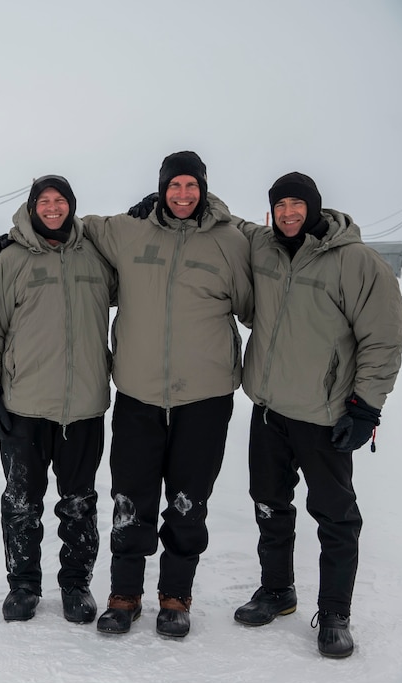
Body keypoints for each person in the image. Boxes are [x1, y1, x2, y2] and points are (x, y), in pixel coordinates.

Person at [230, 172, 402, 658]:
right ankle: (277, 590)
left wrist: (367, 406)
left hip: (324, 413)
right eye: (279, 206)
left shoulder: (357, 262)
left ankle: (334, 613)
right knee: (269, 504)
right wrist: (160, 199)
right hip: (268, 409)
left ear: (314, 207)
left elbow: (384, 338)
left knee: (335, 517)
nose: (288, 213)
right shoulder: (262, 248)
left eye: (296, 204)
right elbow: (223, 219)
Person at [80, 151, 254, 638]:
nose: (182, 196)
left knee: (187, 499)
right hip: (138, 392)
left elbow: (253, 305)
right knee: (130, 498)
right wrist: (17, 237)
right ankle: (124, 595)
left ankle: (176, 596)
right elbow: (71, 225)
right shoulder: (129, 230)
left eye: (190, 187)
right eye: (173, 186)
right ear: (160, 188)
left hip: (205, 396)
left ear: (204, 189)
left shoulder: (230, 241)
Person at [0, 175, 116, 623]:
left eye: (60, 201)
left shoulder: (95, 256)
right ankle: (24, 586)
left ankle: (76, 585)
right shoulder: (10, 261)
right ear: (32, 207)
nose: (52, 208)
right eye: (44, 201)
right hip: (23, 405)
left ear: (72, 206)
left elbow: (139, 282)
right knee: (21, 502)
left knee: (79, 502)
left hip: (84, 405)